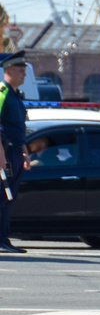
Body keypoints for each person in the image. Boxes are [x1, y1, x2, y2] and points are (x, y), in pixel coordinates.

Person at [0, 51, 30, 254]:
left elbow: (19, 128)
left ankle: (4, 238)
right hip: (5, 155)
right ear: (8, 70)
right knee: (2, 197)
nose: (25, 74)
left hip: (15, 153)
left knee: (8, 198)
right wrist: (1, 156)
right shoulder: (2, 94)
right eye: (21, 69)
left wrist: (25, 152)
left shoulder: (17, 96)